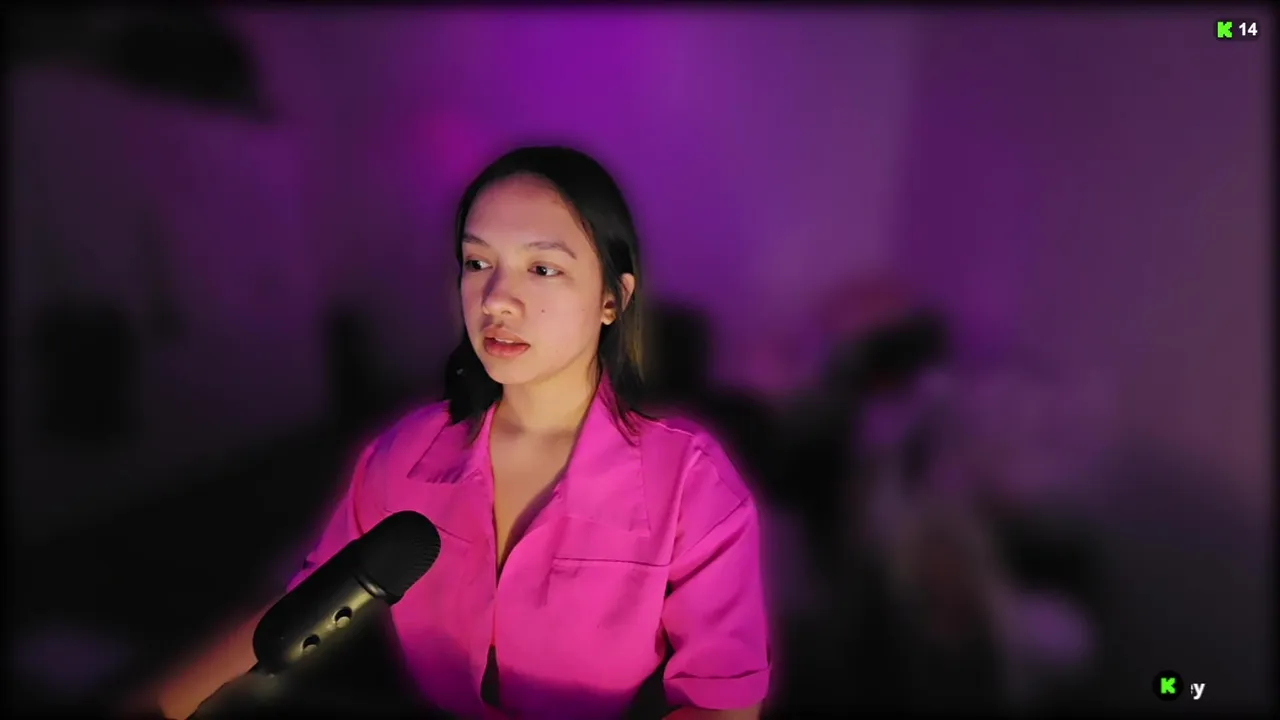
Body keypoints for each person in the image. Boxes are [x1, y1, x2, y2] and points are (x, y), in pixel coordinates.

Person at [139, 146, 770, 720]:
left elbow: (724, 706)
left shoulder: (690, 485)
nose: (495, 299)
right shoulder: (404, 456)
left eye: (542, 268)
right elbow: (297, 616)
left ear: (613, 298)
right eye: (477, 262)